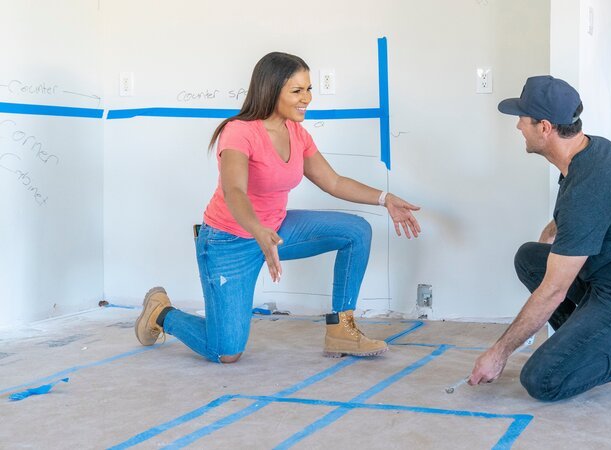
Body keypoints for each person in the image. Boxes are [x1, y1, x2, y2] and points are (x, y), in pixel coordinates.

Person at [133, 52, 421, 363]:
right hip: (229, 240)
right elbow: (234, 191)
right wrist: (257, 230)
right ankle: (162, 314)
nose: (307, 99)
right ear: (271, 90)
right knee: (226, 352)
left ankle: (341, 331)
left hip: (276, 231)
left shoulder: (296, 132)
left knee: (356, 230)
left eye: (309, 89)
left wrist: (384, 198)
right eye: (297, 91)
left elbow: (333, 182)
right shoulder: (239, 132)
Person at [468, 76, 611, 401]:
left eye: (522, 120)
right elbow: (580, 213)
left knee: (542, 379)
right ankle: (584, 339)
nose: (517, 128)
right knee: (529, 257)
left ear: (545, 127)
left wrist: (500, 352)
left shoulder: (587, 189)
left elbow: (554, 290)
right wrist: (555, 227)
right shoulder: (591, 151)